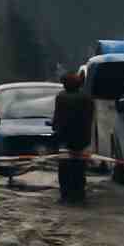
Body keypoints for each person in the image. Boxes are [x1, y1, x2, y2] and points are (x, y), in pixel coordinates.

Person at [52, 68, 94, 204]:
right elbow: (89, 117)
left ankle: (65, 195)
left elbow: (58, 118)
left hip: (64, 140)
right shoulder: (87, 98)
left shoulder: (61, 97)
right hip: (82, 140)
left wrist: (55, 128)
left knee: (64, 168)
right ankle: (79, 194)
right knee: (79, 168)